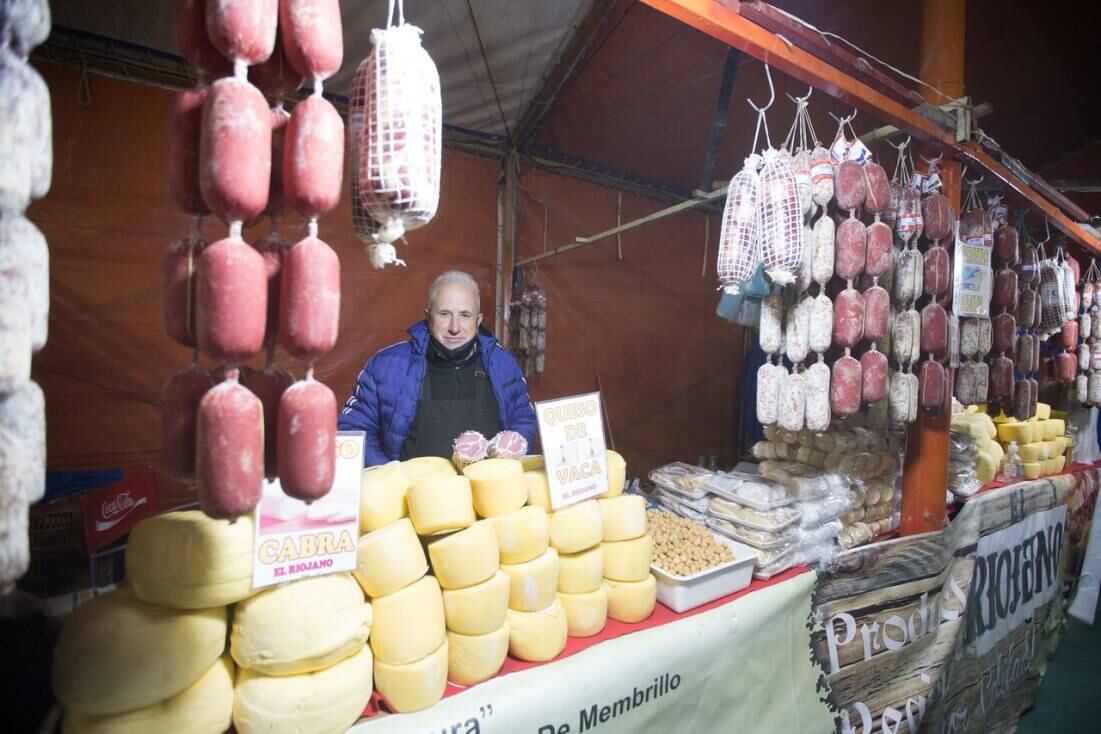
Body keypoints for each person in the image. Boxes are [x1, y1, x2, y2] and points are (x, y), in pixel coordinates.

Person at [339, 270, 537, 466]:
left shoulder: (503, 365)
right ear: (428, 316)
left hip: (486, 494)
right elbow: (354, 428)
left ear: (478, 321)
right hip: (411, 494)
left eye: (465, 315)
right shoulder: (386, 365)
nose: (454, 327)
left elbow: (523, 418)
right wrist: (389, 476)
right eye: (444, 314)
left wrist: (509, 455)